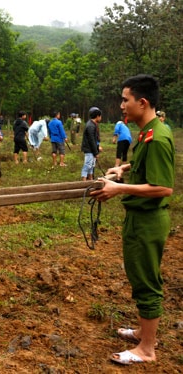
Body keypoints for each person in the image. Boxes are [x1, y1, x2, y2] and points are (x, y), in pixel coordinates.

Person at [91, 74, 175, 366]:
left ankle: (147, 349)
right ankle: (143, 331)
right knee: (138, 275)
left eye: (125, 100)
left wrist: (118, 188)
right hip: (139, 219)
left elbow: (164, 187)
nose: (121, 105)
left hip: (148, 221)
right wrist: (123, 169)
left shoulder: (158, 137)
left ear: (142, 102)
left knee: (146, 281)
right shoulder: (147, 131)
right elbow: (143, 167)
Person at [80, 107, 102, 180]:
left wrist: (97, 147)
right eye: (100, 116)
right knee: (87, 165)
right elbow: (91, 140)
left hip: (91, 149)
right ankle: (84, 181)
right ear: (97, 116)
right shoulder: (90, 126)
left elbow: (95, 139)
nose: (101, 118)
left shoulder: (93, 124)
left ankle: (90, 179)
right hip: (89, 149)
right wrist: (96, 152)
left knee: (91, 165)